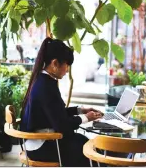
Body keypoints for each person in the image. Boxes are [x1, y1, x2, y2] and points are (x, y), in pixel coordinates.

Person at [20, 37, 103, 167]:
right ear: (55, 64)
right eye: (67, 64)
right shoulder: (46, 86)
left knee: (85, 143)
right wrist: (86, 118)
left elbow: (55, 113)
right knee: (89, 149)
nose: (68, 69)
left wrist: (80, 110)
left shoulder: (42, 80)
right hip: (42, 147)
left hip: (39, 142)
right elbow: (62, 125)